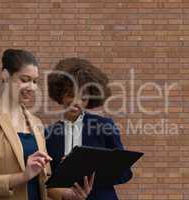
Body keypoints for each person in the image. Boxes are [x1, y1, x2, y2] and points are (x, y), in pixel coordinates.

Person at [0, 49, 94, 200]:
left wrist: (68, 195)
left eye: (34, 81)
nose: (32, 87)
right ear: (5, 75)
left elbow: (45, 180)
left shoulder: (35, 122)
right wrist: (23, 176)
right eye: (25, 79)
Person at [45, 57, 133, 200]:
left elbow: (126, 173)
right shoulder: (48, 134)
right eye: (70, 95)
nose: (77, 103)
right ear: (60, 96)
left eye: (83, 97)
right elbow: (47, 182)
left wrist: (87, 170)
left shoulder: (105, 126)